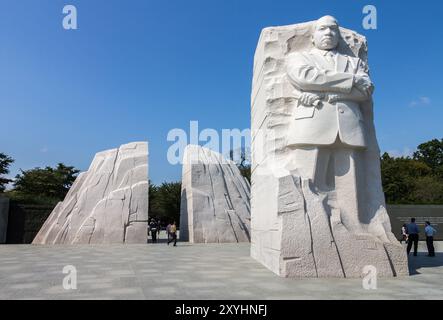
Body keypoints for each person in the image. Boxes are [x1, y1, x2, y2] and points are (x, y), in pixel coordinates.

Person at [286, 15, 374, 233]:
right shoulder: (300, 58)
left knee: (351, 186)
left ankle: (355, 227)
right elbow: (305, 77)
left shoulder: (355, 62)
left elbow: (366, 91)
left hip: (349, 127)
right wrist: (349, 81)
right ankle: (310, 229)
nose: (328, 33)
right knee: (308, 180)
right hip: (312, 125)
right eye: (323, 29)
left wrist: (325, 88)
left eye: (333, 30)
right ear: (313, 36)